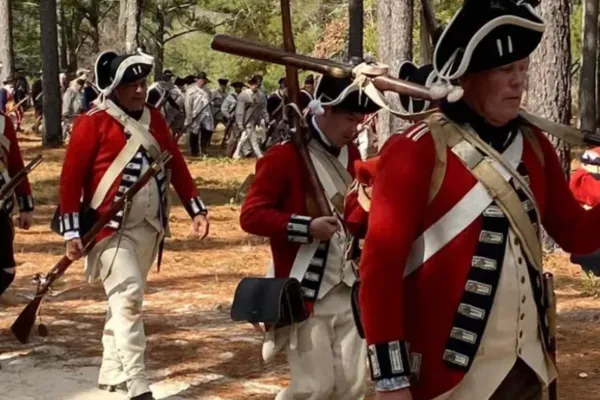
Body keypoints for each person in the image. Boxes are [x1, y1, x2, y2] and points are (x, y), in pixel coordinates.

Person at [350, 0, 600, 399]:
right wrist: (390, 377)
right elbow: (380, 269)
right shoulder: (416, 151)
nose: (519, 82)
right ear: (466, 78)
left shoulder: (534, 147)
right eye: (505, 70)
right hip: (445, 375)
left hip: (527, 368)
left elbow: (578, 236)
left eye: (523, 70)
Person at [58, 49, 210, 400]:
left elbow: (177, 166)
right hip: (108, 229)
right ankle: (139, 385)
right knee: (128, 300)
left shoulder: (154, 119)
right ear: (114, 87)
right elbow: (70, 180)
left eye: (142, 83)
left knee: (123, 301)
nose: (140, 91)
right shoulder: (92, 122)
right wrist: (70, 232)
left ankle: (112, 375)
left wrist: (196, 209)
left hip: (149, 228)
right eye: (132, 85)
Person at [240, 73, 380, 400]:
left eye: (359, 119)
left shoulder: (352, 157)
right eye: (349, 118)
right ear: (325, 111)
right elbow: (251, 216)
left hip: (349, 287)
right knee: (313, 388)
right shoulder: (285, 156)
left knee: (352, 387)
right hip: (307, 289)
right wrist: (305, 227)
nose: (355, 127)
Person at [0, 112, 34, 298]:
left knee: (6, 271)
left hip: (1, 209)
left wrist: (25, 205)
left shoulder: (3, 122)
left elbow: (15, 164)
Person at [233, 75, 268, 159]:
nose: (256, 86)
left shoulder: (261, 95)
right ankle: (259, 155)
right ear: (251, 84)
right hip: (247, 120)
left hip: (255, 119)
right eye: (254, 83)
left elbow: (263, 108)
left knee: (244, 137)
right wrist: (240, 123)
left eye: (258, 84)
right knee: (253, 138)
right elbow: (239, 111)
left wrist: (266, 117)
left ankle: (236, 153)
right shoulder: (244, 95)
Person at [184, 71, 214, 156]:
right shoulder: (190, 91)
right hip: (195, 114)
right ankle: (195, 151)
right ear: (197, 80)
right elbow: (187, 105)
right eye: (201, 80)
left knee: (208, 130)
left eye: (203, 80)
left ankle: (204, 149)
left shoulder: (207, 91)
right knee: (194, 133)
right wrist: (189, 117)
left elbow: (209, 101)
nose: (202, 82)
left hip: (206, 114)